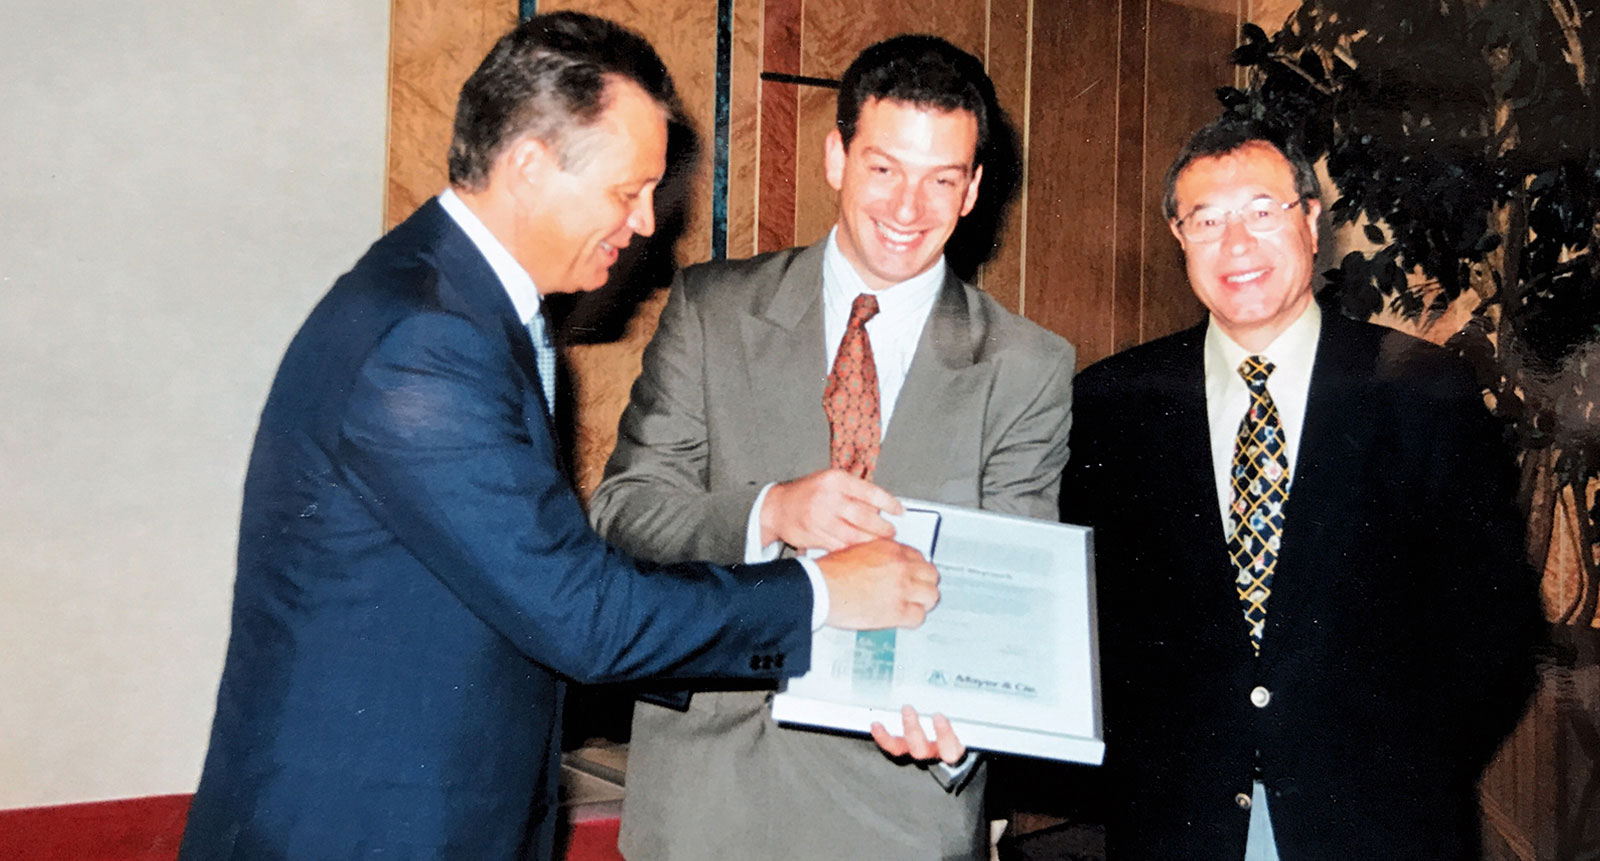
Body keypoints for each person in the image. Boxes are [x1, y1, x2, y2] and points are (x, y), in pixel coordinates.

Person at [178, 13, 941, 860]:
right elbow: (585, 616)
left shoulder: (462, 306)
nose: (648, 222)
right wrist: (825, 593)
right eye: (627, 191)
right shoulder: (423, 341)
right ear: (530, 165)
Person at [588, 34, 1075, 861]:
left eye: (941, 179)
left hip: (901, 817)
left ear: (973, 191)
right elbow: (623, 513)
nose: (908, 208)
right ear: (836, 157)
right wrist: (770, 511)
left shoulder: (1027, 368)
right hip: (709, 809)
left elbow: (1010, 610)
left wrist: (959, 743)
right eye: (884, 168)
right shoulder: (712, 311)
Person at [1062, 117, 1543, 858]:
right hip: (1180, 825)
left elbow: (1495, 625)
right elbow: (1089, 624)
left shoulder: (1424, 392)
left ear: (1312, 221)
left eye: (1263, 211)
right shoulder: (1112, 402)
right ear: (1177, 235)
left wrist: (1403, 772)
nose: (1237, 243)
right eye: (1208, 219)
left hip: (1379, 826)